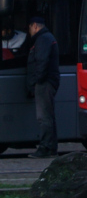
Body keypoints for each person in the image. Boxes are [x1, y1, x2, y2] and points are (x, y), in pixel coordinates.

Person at [25, 15, 59, 158]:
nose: (29, 32)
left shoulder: (42, 39)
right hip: (48, 81)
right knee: (48, 116)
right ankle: (50, 148)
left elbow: (41, 61)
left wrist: (36, 81)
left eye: (30, 28)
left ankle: (45, 148)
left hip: (44, 83)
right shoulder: (47, 37)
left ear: (35, 26)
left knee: (43, 117)